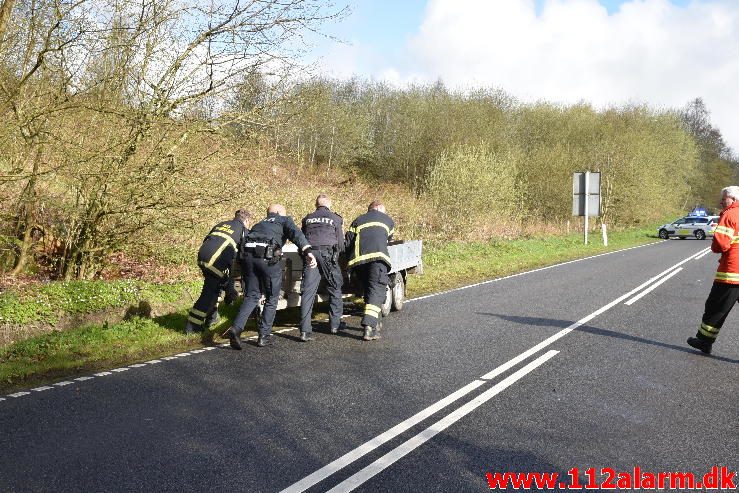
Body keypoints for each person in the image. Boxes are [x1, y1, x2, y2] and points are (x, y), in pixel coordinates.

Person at [223, 204, 316, 349]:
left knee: (252, 295)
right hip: (267, 258)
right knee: (272, 297)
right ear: (278, 212)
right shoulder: (284, 220)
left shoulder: (259, 224)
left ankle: (236, 328)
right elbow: (296, 233)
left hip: (248, 258)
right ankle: (264, 337)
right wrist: (307, 250)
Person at [687, 185, 739, 354]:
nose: (721, 202)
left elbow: (721, 244)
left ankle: (704, 341)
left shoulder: (730, 214)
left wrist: (716, 245)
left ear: (733, 199)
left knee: (716, 307)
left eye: (724, 199)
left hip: (731, 273)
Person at [186, 209, 251, 333]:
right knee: (208, 294)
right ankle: (192, 326)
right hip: (215, 260)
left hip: (202, 256)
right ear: (246, 220)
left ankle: (212, 318)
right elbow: (244, 252)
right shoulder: (243, 230)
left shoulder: (222, 224)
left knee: (215, 288)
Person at [345, 200, 395, 341]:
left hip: (358, 263)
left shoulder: (358, 220)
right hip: (377, 260)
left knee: (370, 292)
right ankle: (369, 326)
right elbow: (388, 240)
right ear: (379, 209)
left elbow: (348, 242)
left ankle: (377, 324)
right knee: (377, 291)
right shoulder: (388, 220)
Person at [298, 194, 345, 342]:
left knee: (308, 292)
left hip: (310, 254)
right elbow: (341, 243)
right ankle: (335, 325)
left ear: (315, 204)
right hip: (327, 254)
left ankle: (305, 331)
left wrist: (306, 257)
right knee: (335, 286)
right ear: (329, 205)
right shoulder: (336, 218)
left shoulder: (307, 219)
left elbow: (302, 240)